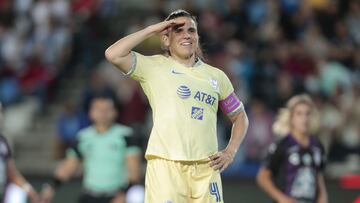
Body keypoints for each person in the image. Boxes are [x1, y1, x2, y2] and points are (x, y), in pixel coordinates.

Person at [105, 9, 249, 202]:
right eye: (178, 30)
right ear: (166, 39)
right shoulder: (153, 67)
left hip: (206, 169)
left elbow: (240, 116)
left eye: (191, 30)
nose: (186, 35)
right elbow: (113, 54)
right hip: (166, 165)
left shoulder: (217, 76)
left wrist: (230, 151)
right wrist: (152, 29)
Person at [40, 95, 141, 203]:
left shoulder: (126, 135)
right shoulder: (83, 137)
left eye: (107, 109)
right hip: (90, 195)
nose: (103, 113)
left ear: (115, 112)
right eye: (98, 109)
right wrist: (51, 187)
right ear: (90, 113)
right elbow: (69, 165)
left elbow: (134, 171)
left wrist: (123, 194)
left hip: (116, 196)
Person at [256, 94, 328, 203]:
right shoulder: (282, 145)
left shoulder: (317, 146)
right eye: (299, 114)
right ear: (291, 117)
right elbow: (263, 177)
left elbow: (318, 176)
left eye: (307, 114)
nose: (304, 118)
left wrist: (323, 197)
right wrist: (281, 198)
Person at [0, 102, 39, 203]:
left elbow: (11, 172)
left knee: (17, 192)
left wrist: (28, 189)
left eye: (1, 111)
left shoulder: (3, 142)